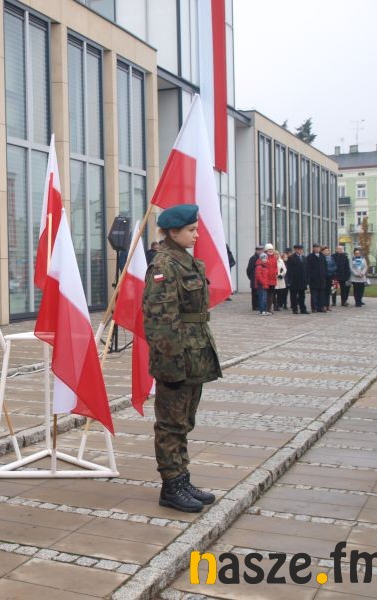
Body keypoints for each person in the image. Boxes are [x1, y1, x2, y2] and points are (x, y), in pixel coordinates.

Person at [143, 204, 221, 513]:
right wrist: (170, 366)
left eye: (196, 229)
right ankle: (171, 486)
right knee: (170, 423)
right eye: (191, 230)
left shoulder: (186, 261)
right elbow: (160, 321)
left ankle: (182, 478)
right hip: (176, 358)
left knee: (185, 420)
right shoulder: (164, 265)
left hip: (194, 354)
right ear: (173, 232)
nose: (196, 235)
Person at [286, 244, 309, 314]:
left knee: (302, 295)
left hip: (302, 280)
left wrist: (307, 279)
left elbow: (306, 269)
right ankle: (295, 308)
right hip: (294, 280)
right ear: (295, 250)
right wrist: (289, 280)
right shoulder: (291, 258)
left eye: (301, 249)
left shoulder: (304, 258)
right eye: (299, 249)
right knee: (294, 295)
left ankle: (303, 309)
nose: (300, 251)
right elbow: (289, 270)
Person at [306, 243, 327, 313]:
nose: (317, 249)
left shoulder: (322, 256)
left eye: (318, 248)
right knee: (314, 295)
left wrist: (325, 275)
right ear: (313, 249)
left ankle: (321, 307)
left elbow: (325, 266)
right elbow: (308, 268)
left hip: (322, 279)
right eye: (315, 248)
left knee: (321, 294)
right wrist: (309, 278)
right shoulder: (310, 257)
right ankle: (314, 307)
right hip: (313, 279)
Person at [246, 244, 265, 311]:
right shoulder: (253, 258)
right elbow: (249, 269)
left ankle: (260, 305)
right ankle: (255, 306)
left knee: (261, 293)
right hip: (254, 278)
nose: (260, 251)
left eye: (261, 250)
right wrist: (251, 277)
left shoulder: (263, 258)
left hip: (262, 278)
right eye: (259, 250)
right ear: (256, 251)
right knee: (255, 293)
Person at [264, 243, 279, 312]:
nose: (270, 251)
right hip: (266, 279)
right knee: (266, 295)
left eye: (271, 249)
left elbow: (276, 267)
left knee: (271, 295)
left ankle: (269, 308)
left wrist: (276, 273)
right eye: (269, 249)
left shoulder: (274, 258)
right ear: (266, 250)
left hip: (273, 279)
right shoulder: (264, 257)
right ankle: (265, 308)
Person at [322, 246, 337, 311]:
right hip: (324, 277)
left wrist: (331, 270)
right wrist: (328, 270)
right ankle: (323, 305)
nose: (327, 252)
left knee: (328, 291)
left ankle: (327, 305)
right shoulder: (321, 258)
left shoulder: (331, 258)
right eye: (325, 251)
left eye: (328, 251)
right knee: (323, 291)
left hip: (330, 276)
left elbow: (335, 266)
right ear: (322, 251)